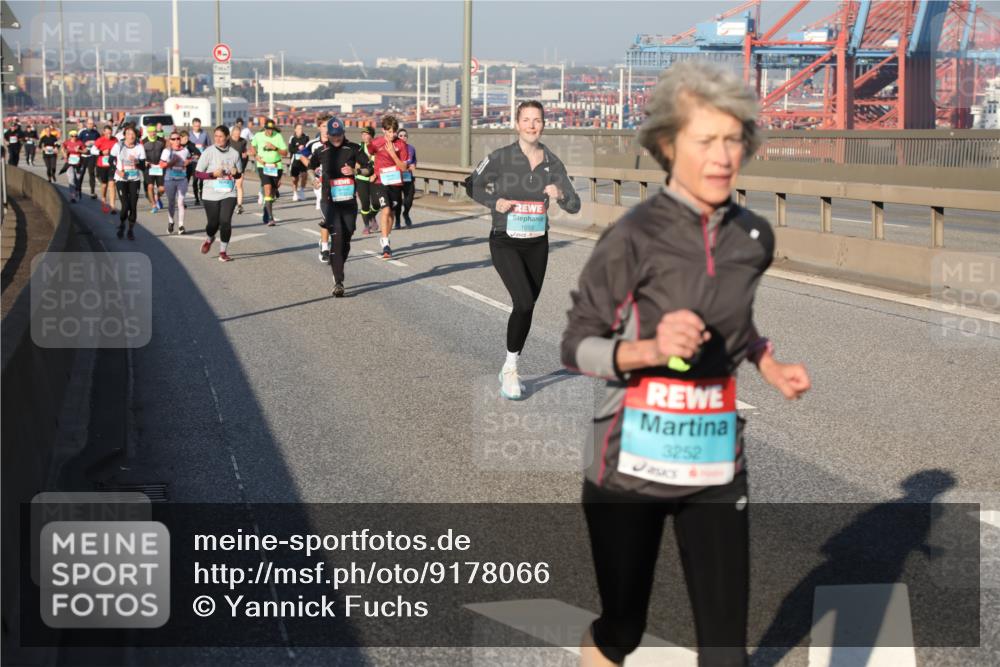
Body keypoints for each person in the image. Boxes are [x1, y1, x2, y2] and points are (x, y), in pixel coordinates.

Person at [559, 61, 812, 667]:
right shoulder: (632, 236)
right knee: (622, 629)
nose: (724, 156)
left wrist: (766, 360)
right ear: (669, 145)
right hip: (628, 464)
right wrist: (648, 349)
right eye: (706, 140)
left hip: (715, 462)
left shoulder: (753, 237)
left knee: (726, 651)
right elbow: (575, 346)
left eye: (734, 140)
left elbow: (734, 317)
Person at [469, 100, 581, 400]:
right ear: (517, 124)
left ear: (544, 124)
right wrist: (496, 203)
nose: (532, 125)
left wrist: (561, 194)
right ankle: (510, 370)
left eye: (538, 120)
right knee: (522, 300)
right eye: (527, 120)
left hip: (537, 243)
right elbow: (472, 185)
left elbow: (575, 204)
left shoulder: (553, 163)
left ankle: (511, 360)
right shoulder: (501, 157)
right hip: (505, 239)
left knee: (528, 305)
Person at [302, 117, 368, 296]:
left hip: (348, 202)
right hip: (329, 201)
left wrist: (355, 171)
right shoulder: (322, 151)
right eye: (333, 135)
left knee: (346, 237)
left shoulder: (353, 148)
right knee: (337, 238)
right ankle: (338, 281)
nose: (336, 138)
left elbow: (369, 168)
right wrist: (313, 179)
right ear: (328, 135)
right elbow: (310, 166)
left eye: (339, 135)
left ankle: (337, 261)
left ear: (343, 133)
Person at [196, 125, 242, 262]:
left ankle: (223, 252)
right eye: (216, 136)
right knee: (213, 224)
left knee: (225, 222)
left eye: (221, 136)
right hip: (211, 193)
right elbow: (198, 173)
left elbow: (239, 175)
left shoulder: (234, 154)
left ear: (227, 137)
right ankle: (210, 238)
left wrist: (236, 172)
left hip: (229, 192)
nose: (218, 138)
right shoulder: (208, 152)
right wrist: (212, 174)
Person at [366, 115, 409, 258]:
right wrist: (372, 171)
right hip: (380, 182)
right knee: (386, 210)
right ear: (384, 130)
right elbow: (370, 153)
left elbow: (403, 167)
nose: (392, 135)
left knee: (391, 214)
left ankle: (386, 236)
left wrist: (393, 154)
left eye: (394, 132)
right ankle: (385, 245)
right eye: (389, 132)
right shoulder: (376, 142)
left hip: (395, 182)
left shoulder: (401, 145)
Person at [248, 118, 288, 226]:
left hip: (276, 166)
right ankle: (271, 218)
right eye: (268, 129)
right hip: (263, 165)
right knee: (267, 188)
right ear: (264, 128)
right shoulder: (258, 136)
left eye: (272, 129)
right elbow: (252, 146)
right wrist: (256, 156)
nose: (270, 131)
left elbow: (285, 153)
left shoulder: (278, 136)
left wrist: (275, 148)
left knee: (272, 193)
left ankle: (266, 210)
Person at [111, 126, 147, 240]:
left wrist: (137, 162)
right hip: (121, 179)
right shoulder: (118, 146)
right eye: (128, 134)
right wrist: (118, 171)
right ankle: (122, 224)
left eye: (133, 134)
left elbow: (143, 166)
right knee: (125, 205)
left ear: (135, 135)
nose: (131, 136)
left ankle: (130, 230)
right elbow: (110, 160)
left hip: (134, 179)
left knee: (133, 206)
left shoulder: (139, 147)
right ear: (125, 135)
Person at [159, 131, 191, 234]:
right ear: (170, 140)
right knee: (171, 203)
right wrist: (171, 162)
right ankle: (171, 222)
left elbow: (189, 159)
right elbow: (161, 165)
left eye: (178, 138)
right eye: (173, 139)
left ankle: (181, 225)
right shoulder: (167, 151)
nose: (176, 141)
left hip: (182, 179)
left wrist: (187, 162)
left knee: (180, 202)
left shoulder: (185, 150)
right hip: (170, 180)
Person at [356, 126, 378, 234]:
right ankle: (366, 226)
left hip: (375, 178)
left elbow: (380, 162)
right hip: (361, 178)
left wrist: (375, 174)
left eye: (366, 134)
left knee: (376, 203)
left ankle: (372, 216)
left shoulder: (377, 147)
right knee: (365, 203)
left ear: (372, 135)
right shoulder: (359, 147)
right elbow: (355, 164)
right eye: (362, 134)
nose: (364, 136)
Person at [93, 125, 119, 215]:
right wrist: (101, 152)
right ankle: (103, 198)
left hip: (112, 165)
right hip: (102, 165)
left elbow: (119, 150)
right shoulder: (100, 140)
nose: (108, 135)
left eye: (110, 133)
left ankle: (112, 206)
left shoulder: (115, 140)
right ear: (103, 132)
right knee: (104, 185)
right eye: (107, 133)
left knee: (112, 184)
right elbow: (92, 150)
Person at [143, 127, 166, 213]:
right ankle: (153, 205)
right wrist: (144, 161)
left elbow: (166, 152)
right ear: (148, 132)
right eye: (150, 132)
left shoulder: (162, 141)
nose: (152, 133)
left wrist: (164, 161)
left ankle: (157, 197)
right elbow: (140, 154)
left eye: (154, 132)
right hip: (149, 167)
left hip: (159, 167)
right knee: (150, 186)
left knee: (162, 189)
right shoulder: (143, 142)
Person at [59, 129, 86, 202]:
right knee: (71, 179)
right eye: (72, 136)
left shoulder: (80, 143)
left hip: (78, 164)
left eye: (75, 136)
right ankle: (72, 196)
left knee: (77, 179)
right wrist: (64, 153)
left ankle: (77, 190)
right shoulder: (67, 142)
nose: (74, 137)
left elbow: (85, 151)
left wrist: (79, 151)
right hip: (69, 164)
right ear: (70, 136)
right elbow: (62, 147)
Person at [230, 118, 250, 214]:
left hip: (239, 167)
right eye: (235, 135)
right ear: (232, 134)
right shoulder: (227, 141)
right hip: (228, 168)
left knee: (239, 185)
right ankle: (229, 203)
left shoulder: (243, 142)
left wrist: (245, 156)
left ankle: (239, 205)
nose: (237, 137)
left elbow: (245, 154)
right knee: (230, 187)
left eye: (239, 135)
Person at [397, 128, 417, 228]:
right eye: (400, 135)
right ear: (397, 137)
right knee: (397, 201)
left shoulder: (411, 148)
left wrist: (413, 165)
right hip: (396, 177)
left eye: (405, 135)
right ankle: (397, 220)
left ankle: (406, 213)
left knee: (409, 199)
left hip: (408, 177)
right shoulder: (394, 148)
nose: (403, 137)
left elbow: (413, 161)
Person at [288, 123, 311, 201]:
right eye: (298, 128)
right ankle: (295, 193)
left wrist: (304, 149)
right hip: (295, 160)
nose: (300, 130)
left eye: (301, 128)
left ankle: (301, 191)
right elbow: (290, 149)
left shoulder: (306, 137)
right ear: (295, 129)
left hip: (304, 159)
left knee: (304, 175)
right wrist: (298, 149)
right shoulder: (292, 138)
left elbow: (309, 148)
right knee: (295, 178)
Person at [188, 118, 210, 205]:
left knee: (202, 180)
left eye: (198, 125)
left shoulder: (205, 134)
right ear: (192, 125)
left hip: (203, 160)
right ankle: (196, 198)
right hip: (193, 161)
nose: (197, 127)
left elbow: (209, 145)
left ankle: (202, 196)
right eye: (195, 126)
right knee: (195, 180)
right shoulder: (189, 135)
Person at [78, 118, 101, 199]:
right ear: (87, 124)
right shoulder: (83, 132)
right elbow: (78, 142)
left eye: (92, 124)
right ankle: (79, 190)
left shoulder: (96, 133)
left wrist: (95, 144)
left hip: (92, 156)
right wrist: (83, 146)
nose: (91, 125)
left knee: (91, 174)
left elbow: (100, 142)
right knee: (81, 174)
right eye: (90, 124)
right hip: (83, 157)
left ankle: (92, 192)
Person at [179, 130, 202, 206]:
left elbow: (198, 153)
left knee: (195, 181)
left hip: (192, 165)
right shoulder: (177, 145)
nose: (187, 140)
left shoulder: (191, 144)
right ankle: (182, 201)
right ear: (181, 138)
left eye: (187, 138)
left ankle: (197, 199)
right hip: (183, 167)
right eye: (185, 139)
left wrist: (195, 156)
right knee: (184, 184)